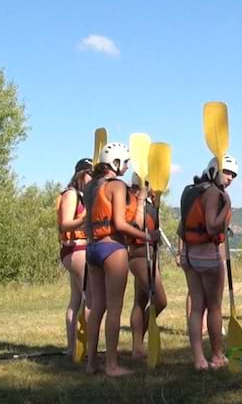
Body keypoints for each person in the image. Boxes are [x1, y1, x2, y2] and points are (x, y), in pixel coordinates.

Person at [84, 142, 158, 376]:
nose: (127, 166)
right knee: (114, 309)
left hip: (92, 248)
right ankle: (112, 365)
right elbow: (120, 223)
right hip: (112, 248)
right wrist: (146, 236)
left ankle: (91, 363)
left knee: (97, 308)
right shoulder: (116, 185)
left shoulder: (91, 186)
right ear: (115, 163)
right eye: (125, 162)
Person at [178, 154, 237, 371]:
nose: (230, 178)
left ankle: (198, 360)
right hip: (207, 256)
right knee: (213, 307)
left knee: (196, 307)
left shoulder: (189, 191)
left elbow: (180, 229)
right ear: (215, 170)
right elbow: (212, 226)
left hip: (188, 255)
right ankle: (217, 356)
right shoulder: (213, 192)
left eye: (233, 175)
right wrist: (227, 205)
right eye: (227, 172)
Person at [128, 173, 168, 358]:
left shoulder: (150, 203)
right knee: (160, 300)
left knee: (140, 302)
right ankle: (138, 342)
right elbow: (137, 224)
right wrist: (143, 199)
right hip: (139, 256)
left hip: (150, 256)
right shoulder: (134, 202)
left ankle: (137, 346)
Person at [57, 158, 93, 357]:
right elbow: (65, 224)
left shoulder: (83, 195)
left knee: (77, 299)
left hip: (78, 249)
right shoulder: (72, 194)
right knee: (90, 299)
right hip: (76, 249)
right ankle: (82, 347)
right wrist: (85, 218)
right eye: (90, 174)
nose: (92, 178)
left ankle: (73, 348)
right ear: (80, 174)